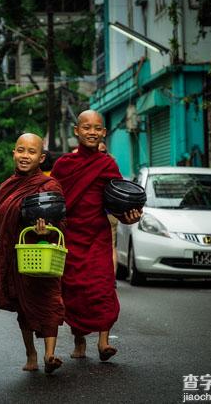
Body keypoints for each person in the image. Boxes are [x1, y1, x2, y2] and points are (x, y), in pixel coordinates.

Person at [51, 110, 141, 362]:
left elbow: (118, 199)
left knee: (102, 287)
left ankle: (103, 342)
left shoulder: (107, 164)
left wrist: (128, 216)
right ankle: (79, 340)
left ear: (103, 133)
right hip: (70, 235)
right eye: (86, 127)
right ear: (76, 131)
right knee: (74, 290)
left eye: (97, 128)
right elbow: (55, 199)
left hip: (97, 235)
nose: (92, 132)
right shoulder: (63, 165)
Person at [0, 133, 65, 374]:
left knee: (50, 300)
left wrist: (46, 231)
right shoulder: (6, 187)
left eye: (31, 152)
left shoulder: (50, 185)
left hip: (45, 253)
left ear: (41, 157)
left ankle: (49, 354)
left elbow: (62, 221)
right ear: (14, 153)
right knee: (24, 305)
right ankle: (31, 353)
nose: (25, 156)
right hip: (18, 253)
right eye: (21, 150)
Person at [98, 140, 119, 275]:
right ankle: (110, 279)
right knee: (110, 247)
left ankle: (111, 278)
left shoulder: (105, 167)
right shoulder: (112, 165)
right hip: (107, 213)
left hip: (108, 214)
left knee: (110, 247)